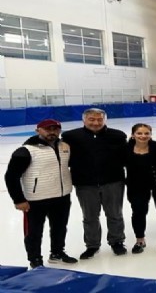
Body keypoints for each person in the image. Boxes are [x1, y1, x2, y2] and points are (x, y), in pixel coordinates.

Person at [4, 119, 78, 268]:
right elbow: (11, 176)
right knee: (34, 231)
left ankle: (57, 252)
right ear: (38, 130)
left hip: (62, 196)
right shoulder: (25, 151)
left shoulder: (65, 146)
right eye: (47, 129)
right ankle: (35, 259)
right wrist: (18, 200)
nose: (52, 132)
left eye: (55, 129)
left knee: (60, 227)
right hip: (36, 199)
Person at [62, 108, 128, 259]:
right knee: (90, 216)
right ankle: (92, 245)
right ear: (84, 120)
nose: (96, 123)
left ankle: (117, 242)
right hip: (85, 184)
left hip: (113, 182)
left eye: (99, 119)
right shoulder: (70, 136)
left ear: (105, 120)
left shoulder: (117, 135)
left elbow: (126, 157)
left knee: (115, 214)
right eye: (92, 119)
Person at [125, 123, 156, 253]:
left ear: (150, 135)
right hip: (136, 186)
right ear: (133, 135)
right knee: (138, 212)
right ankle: (140, 240)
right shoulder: (125, 149)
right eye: (139, 133)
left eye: (146, 133)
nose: (143, 136)